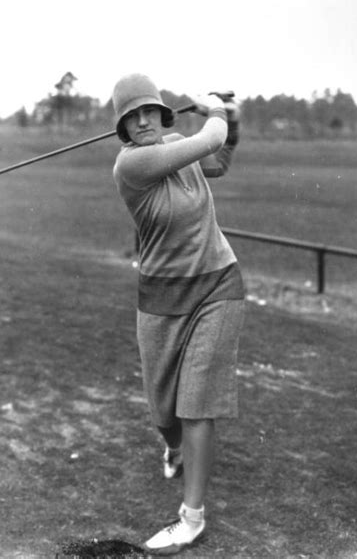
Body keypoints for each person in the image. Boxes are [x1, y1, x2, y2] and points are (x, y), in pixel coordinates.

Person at [112, 73, 245, 555]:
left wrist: (234, 120)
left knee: (196, 405)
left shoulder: (174, 146)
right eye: (133, 116)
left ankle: (192, 518)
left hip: (218, 284)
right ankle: (172, 449)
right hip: (161, 299)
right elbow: (209, 137)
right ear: (123, 127)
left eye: (150, 110)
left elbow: (220, 158)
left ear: (162, 113)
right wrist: (214, 112)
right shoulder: (134, 165)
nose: (144, 120)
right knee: (165, 412)